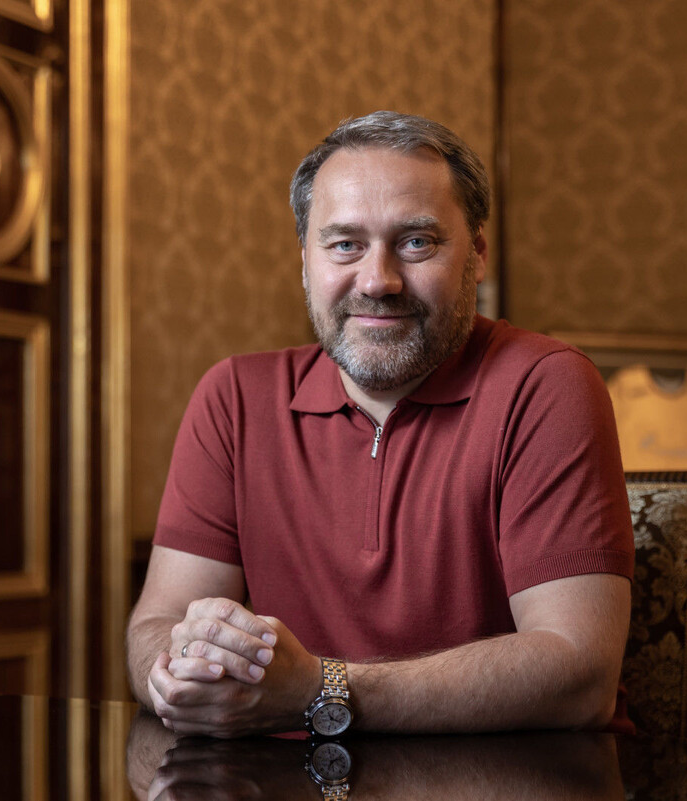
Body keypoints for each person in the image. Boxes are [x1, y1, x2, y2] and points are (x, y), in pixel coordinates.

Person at [126, 110, 635, 738]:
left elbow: (581, 675)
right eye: (345, 244)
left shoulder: (546, 385)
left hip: (516, 777)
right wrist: (175, 674)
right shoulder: (233, 397)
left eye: (416, 242)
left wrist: (319, 691)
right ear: (305, 261)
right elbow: (157, 623)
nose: (377, 281)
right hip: (285, 779)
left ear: (477, 255)